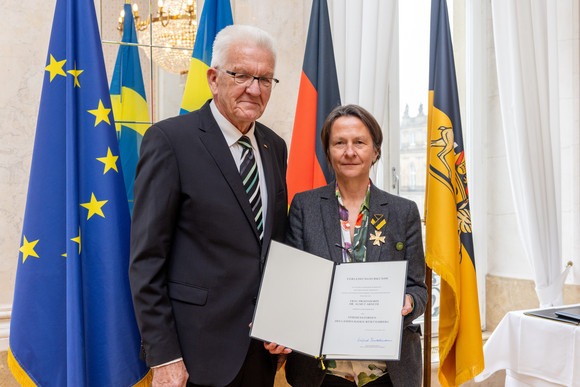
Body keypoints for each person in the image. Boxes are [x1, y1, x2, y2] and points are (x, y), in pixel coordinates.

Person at [129, 25, 288, 387]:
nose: (254, 88)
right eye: (242, 74)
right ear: (214, 78)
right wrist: (165, 355)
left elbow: (274, 247)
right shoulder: (170, 141)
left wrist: (282, 324)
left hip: (260, 354)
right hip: (192, 357)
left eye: (265, 79)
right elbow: (146, 260)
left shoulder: (274, 147)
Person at [281, 104, 428, 387]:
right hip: (322, 372)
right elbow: (293, 286)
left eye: (359, 142)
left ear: (375, 151)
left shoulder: (404, 211)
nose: (350, 152)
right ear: (328, 152)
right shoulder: (304, 206)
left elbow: (418, 288)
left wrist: (408, 302)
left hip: (389, 372)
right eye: (339, 143)